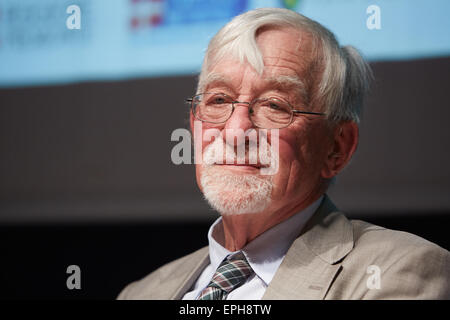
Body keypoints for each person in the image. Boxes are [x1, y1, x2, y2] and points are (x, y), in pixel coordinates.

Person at [117, 8, 450, 300]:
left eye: (275, 105)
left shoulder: (398, 272)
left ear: (337, 147)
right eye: (218, 101)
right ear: (194, 123)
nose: (235, 133)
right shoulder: (143, 292)